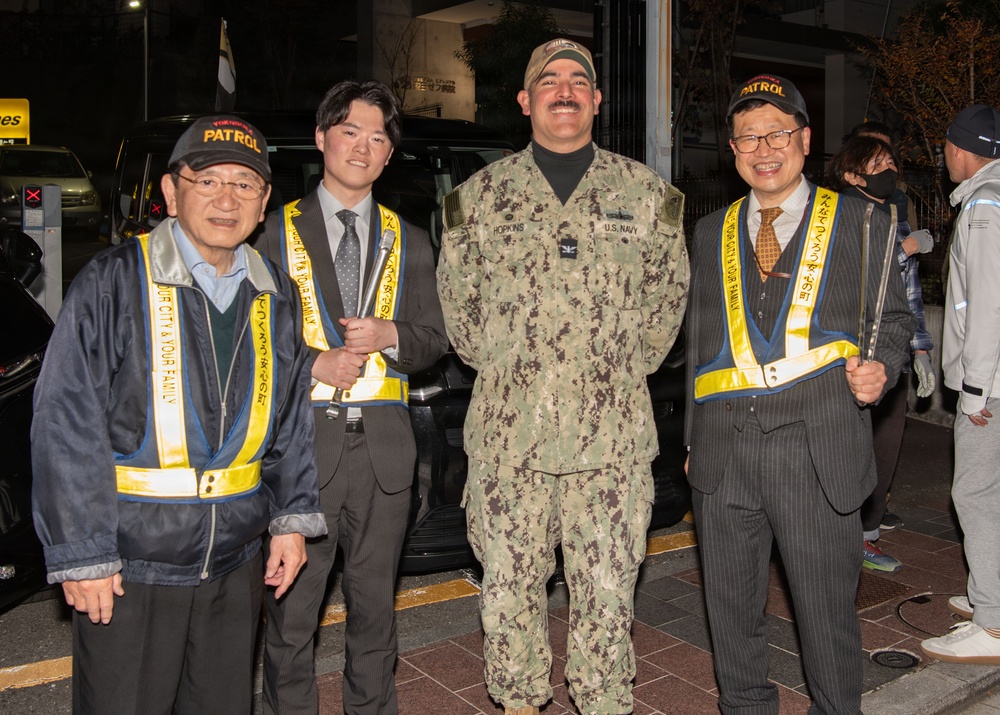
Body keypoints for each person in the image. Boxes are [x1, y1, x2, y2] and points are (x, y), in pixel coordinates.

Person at [30, 115, 327, 714]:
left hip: (235, 562)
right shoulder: (114, 281)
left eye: (245, 184)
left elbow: (291, 421)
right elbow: (65, 420)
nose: (226, 198)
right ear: (171, 191)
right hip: (131, 566)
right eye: (208, 179)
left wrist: (293, 520)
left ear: (265, 200)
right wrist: (82, 552)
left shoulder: (278, 295)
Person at [436, 38, 689, 715]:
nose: (566, 89)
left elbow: (667, 310)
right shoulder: (476, 201)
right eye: (549, 80)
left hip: (610, 446)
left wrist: (602, 375)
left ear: (598, 100)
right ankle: (519, 704)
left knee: (608, 595)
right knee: (510, 596)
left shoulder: (646, 196)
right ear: (526, 100)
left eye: (581, 79)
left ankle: (604, 703)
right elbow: (462, 324)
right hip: (509, 442)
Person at [685, 74, 914, 715]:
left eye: (778, 133)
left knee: (825, 618)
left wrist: (884, 368)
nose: (764, 148)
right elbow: (702, 346)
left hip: (817, 452)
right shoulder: (711, 233)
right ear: (731, 150)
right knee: (730, 620)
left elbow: (892, 321)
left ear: (805, 139)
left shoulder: (862, 222)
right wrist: (690, 443)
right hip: (725, 457)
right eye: (748, 137)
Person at [256, 80, 449, 715]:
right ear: (321, 139)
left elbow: (434, 338)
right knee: (291, 623)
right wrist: (316, 362)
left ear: (390, 154)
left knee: (375, 619)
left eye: (378, 138)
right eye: (350, 132)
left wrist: (393, 334)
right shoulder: (273, 232)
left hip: (386, 460)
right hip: (301, 456)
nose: (363, 147)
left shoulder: (411, 238)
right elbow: (246, 346)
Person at [826, 134, 935, 573]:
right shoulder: (839, 216)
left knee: (886, 446)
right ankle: (840, 533)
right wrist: (904, 250)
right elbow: (855, 275)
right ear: (852, 175)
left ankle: (867, 535)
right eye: (876, 163)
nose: (888, 169)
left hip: (894, 350)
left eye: (891, 160)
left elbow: (907, 294)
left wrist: (920, 345)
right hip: (853, 353)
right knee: (850, 448)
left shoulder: (896, 211)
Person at [920, 104, 1000, 664]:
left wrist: (974, 390)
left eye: (948, 145)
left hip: (992, 383)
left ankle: (993, 624)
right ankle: (987, 597)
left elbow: (987, 306)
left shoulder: (984, 208)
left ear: (964, 147)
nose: (943, 155)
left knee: (973, 493)